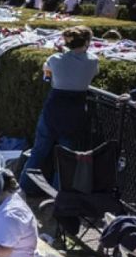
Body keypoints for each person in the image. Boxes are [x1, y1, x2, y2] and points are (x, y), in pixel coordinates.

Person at [19, 26, 99, 192]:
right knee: (65, 157)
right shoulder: (93, 61)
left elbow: (47, 70)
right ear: (86, 42)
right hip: (75, 111)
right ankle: (58, 195)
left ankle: (23, 187)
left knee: (38, 152)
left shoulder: (55, 59)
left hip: (53, 108)